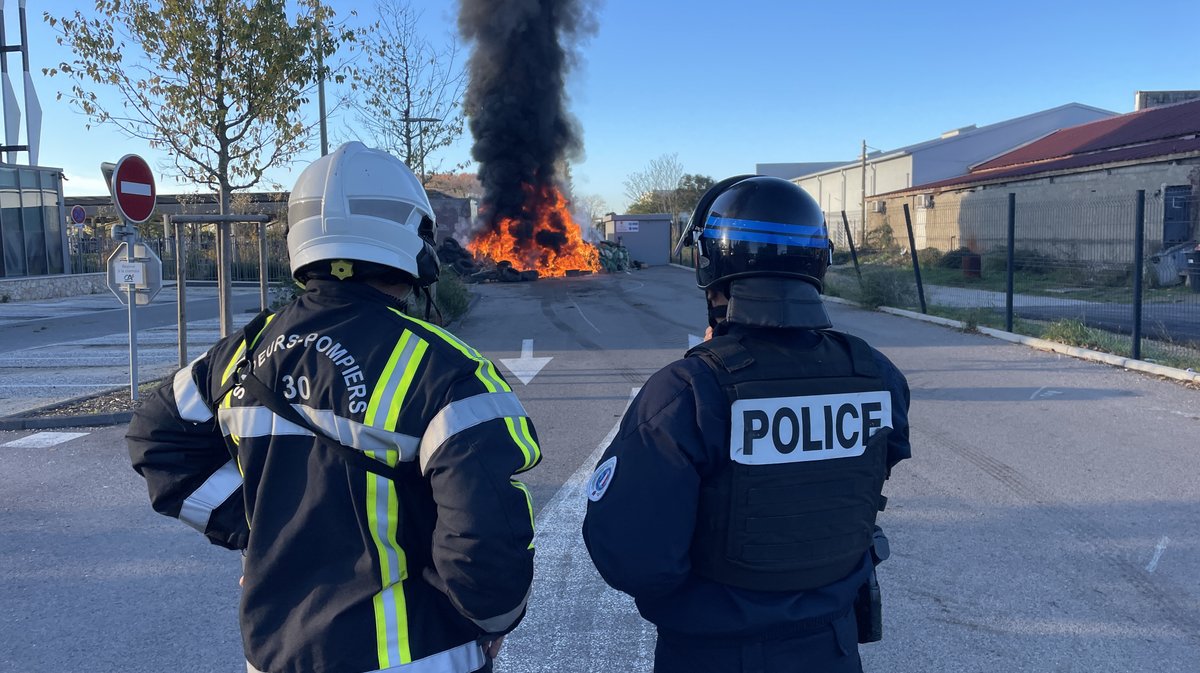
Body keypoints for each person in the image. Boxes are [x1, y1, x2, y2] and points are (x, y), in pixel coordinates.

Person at [127, 142, 541, 673]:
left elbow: (155, 438)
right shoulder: (447, 371)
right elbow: (486, 541)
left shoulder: (240, 355)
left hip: (276, 658)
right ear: (413, 242)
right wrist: (491, 621)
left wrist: (255, 531)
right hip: (420, 658)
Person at [582, 175, 911, 673]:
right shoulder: (877, 375)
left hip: (714, 656)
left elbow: (633, 557)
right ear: (817, 260)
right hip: (834, 651)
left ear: (711, 264)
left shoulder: (687, 391)